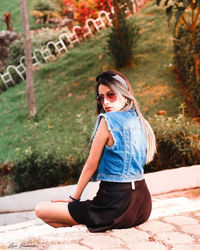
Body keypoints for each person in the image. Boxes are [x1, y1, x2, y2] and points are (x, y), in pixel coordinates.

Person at [35, 70, 157, 232]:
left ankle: (88, 219)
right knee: (63, 218)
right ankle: (86, 219)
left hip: (114, 205)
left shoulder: (108, 121)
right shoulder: (139, 120)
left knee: (41, 209)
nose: (105, 102)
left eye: (111, 95)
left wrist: (73, 199)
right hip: (142, 207)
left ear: (125, 95)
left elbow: (90, 165)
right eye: (101, 98)